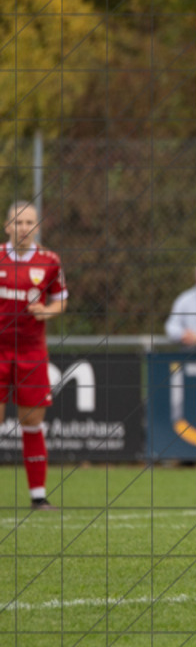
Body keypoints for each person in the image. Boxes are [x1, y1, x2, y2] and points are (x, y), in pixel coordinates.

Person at [1, 201, 68, 511]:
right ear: (7, 226)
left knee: (31, 421)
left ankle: (38, 496)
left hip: (31, 351)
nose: (23, 228)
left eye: (29, 222)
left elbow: (60, 302)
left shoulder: (50, 261)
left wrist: (46, 311)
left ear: (37, 226)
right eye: (18, 222)